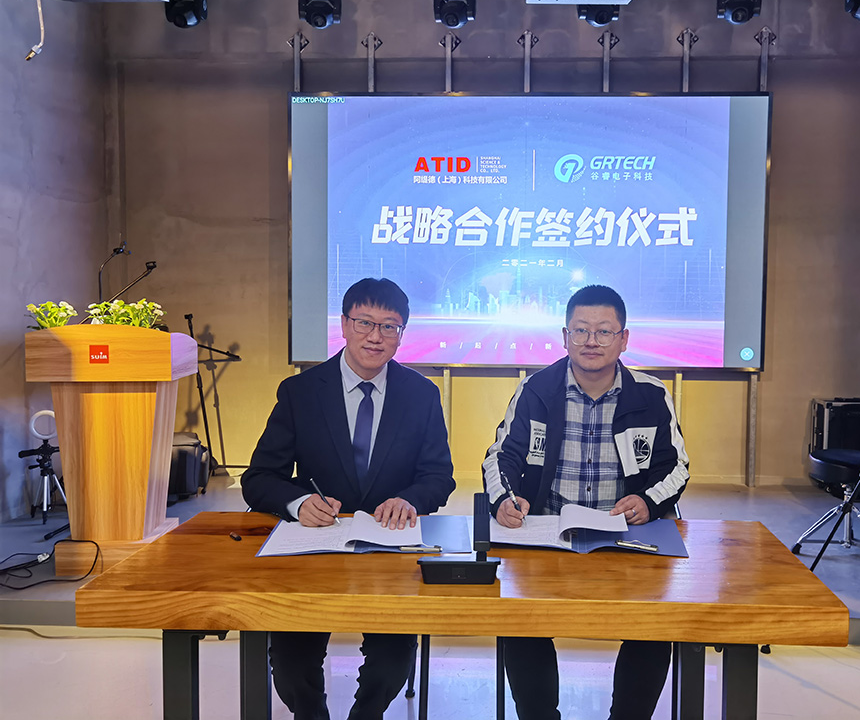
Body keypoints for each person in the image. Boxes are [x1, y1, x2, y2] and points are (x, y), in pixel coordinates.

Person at [242, 277, 455, 720]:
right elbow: (259, 478)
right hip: (314, 552)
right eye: (364, 323)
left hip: (390, 552)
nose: (375, 336)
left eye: (389, 326)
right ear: (343, 324)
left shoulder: (421, 395)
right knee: (291, 666)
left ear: (401, 334)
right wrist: (299, 503)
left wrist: (409, 500)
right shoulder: (301, 392)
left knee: (391, 662)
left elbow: (439, 477)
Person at [482, 284, 690, 720]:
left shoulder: (651, 395)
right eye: (580, 330)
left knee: (654, 627)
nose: (591, 341)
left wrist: (647, 502)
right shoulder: (536, 389)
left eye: (603, 331)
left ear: (623, 339)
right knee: (520, 621)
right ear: (565, 336)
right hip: (549, 533)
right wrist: (503, 498)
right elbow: (501, 456)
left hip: (628, 537)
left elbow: (677, 468)